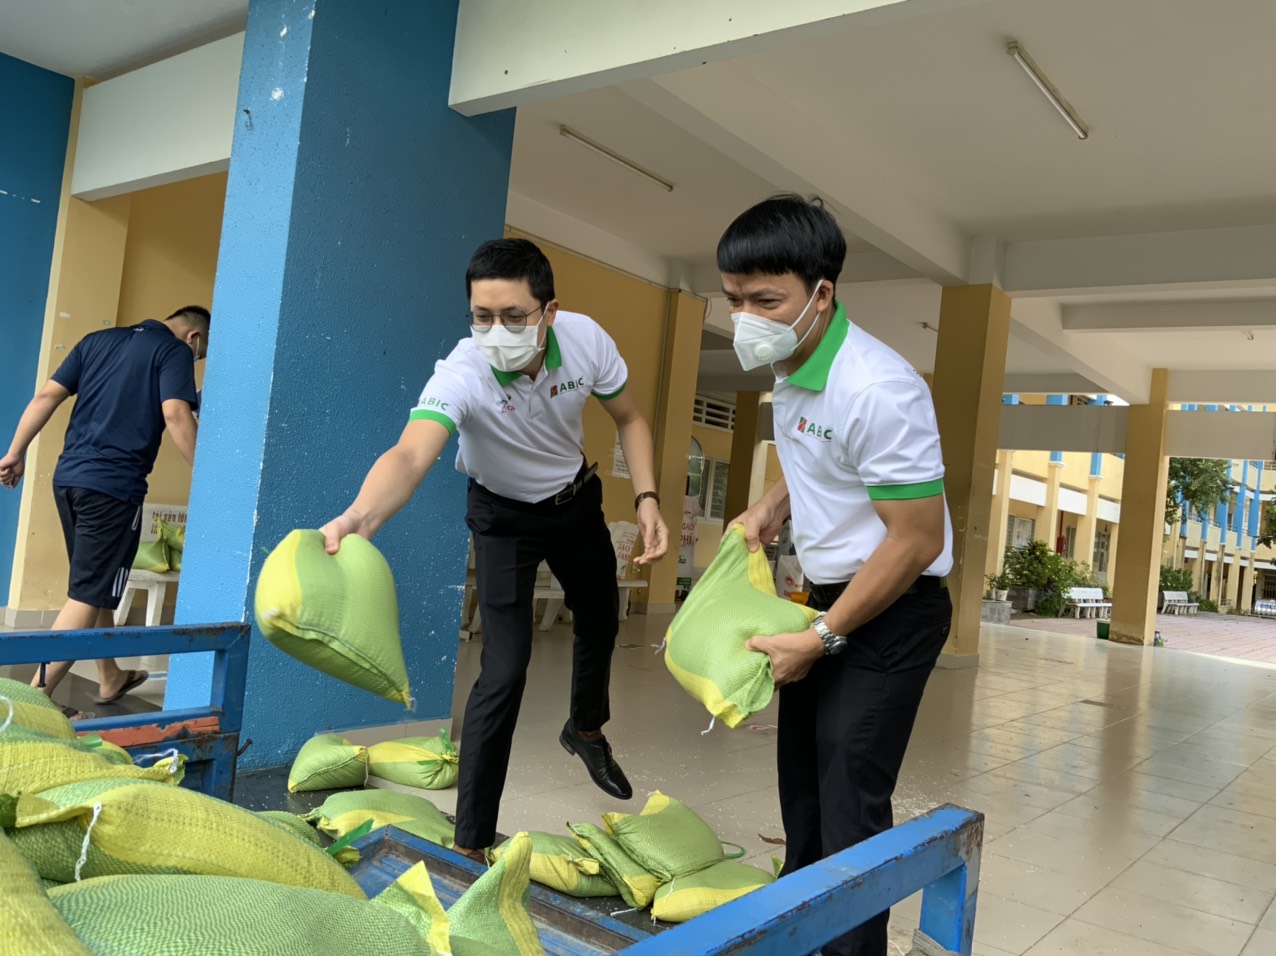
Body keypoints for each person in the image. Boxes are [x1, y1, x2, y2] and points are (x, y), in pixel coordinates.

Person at [320, 238, 668, 861]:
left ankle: (585, 729)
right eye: (482, 316)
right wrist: (358, 516)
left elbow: (631, 419)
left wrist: (646, 499)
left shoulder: (587, 341)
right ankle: (472, 840)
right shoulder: (462, 372)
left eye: (513, 316)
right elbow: (410, 452)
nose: (496, 330)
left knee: (601, 615)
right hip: (502, 517)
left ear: (549, 312)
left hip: (573, 501)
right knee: (503, 671)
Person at [719, 196, 952, 956]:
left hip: (893, 608)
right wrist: (772, 502)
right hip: (828, 600)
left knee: (851, 802)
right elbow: (819, 454)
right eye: (733, 300)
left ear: (822, 293)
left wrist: (821, 636)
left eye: (765, 300)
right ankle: (802, 939)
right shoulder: (789, 367)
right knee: (805, 796)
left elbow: (915, 541)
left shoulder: (879, 388)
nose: (746, 317)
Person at [0, 306, 207, 712]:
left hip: (70, 479)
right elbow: (176, 412)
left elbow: (47, 395)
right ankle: (33, 700)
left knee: (91, 585)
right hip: (114, 488)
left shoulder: (97, 340)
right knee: (88, 591)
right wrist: (210, 479)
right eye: (200, 356)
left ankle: (110, 676)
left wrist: (14, 452)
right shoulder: (174, 352)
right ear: (194, 338)